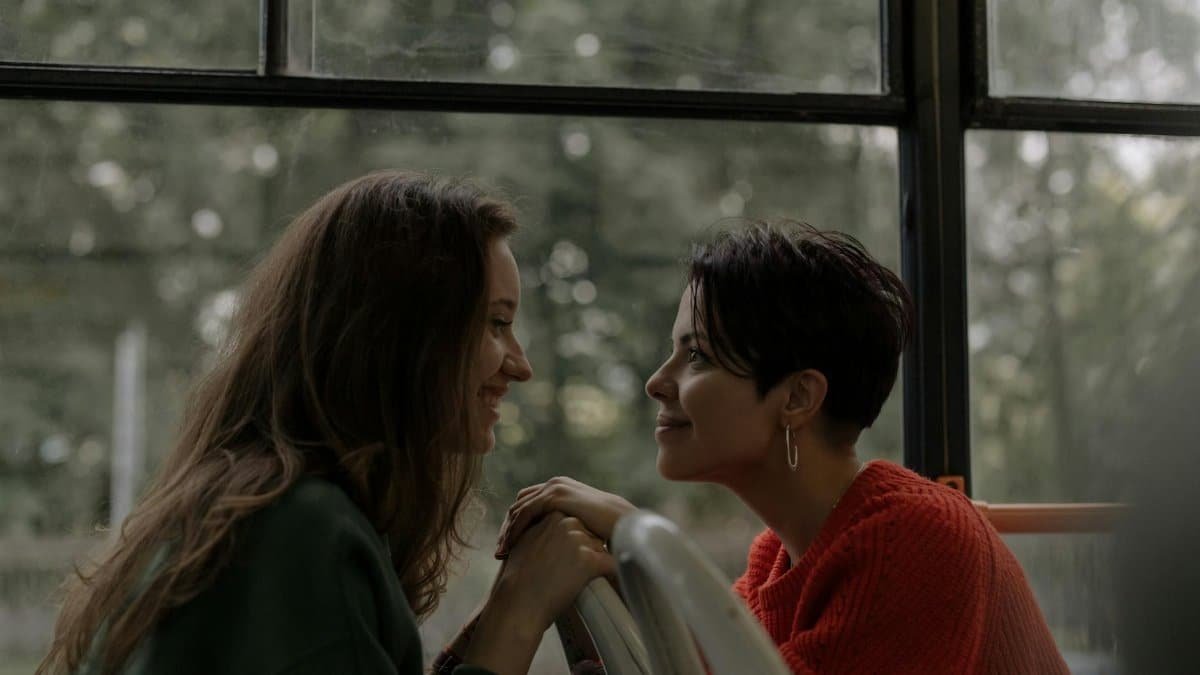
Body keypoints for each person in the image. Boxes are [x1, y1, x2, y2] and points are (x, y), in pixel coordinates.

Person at [36, 171, 614, 675]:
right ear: (399, 338)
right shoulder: (302, 536)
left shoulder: (255, 508)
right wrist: (517, 616)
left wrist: (490, 629)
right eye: (495, 323)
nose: (522, 364)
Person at [497, 221, 1070, 674]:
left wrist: (632, 530)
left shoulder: (918, 538)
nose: (657, 381)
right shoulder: (775, 558)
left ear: (797, 397)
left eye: (696, 356)